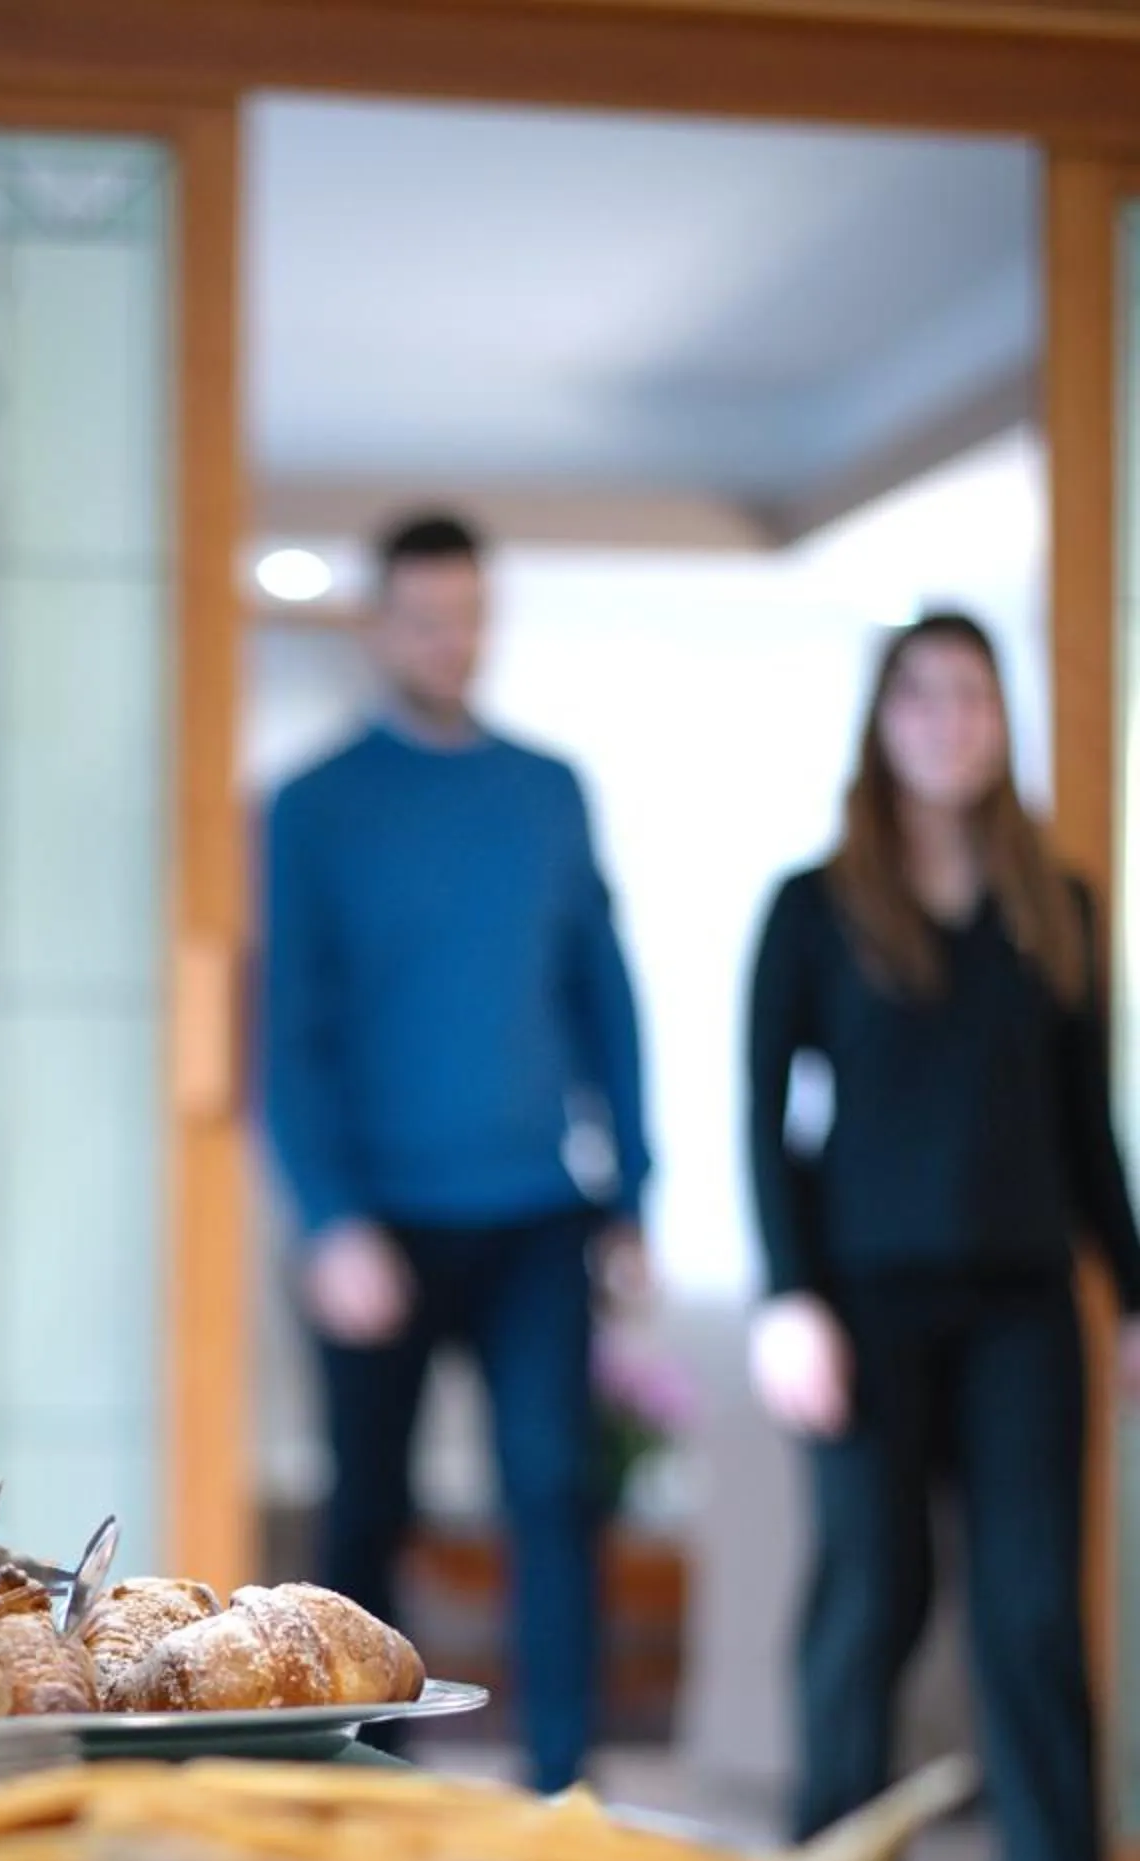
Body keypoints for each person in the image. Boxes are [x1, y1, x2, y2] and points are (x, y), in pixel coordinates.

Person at [746, 608, 1140, 1861]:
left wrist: (1136, 1293)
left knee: (1032, 1619)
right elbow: (771, 1123)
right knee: (872, 1605)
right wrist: (790, 1299)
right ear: (884, 719)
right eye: (920, 696)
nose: (945, 720)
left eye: (970, 697)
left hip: (1028, 1310)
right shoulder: (814, 905)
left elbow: (1085, 1128)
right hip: (864, 1310)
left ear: (998, 720)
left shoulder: (1060, 905)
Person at [261, 511, 651, 1794]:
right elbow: (289, 1030)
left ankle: (558, 1790)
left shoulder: (547, 791)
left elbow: (603, 998)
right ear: (379, 629)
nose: (451, 641)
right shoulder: (313, 808)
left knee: (552, 1492)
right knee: (368, 1510)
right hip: (380, 1216)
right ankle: (357, 1784)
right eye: (425, 617)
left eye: (470, 615)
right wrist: (327, 1218)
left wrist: (631, 1190)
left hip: (537, 1209)